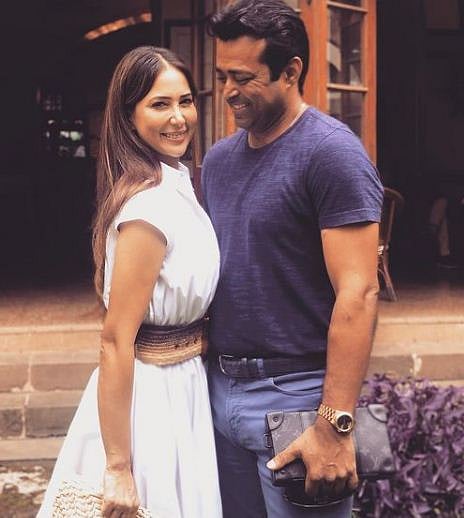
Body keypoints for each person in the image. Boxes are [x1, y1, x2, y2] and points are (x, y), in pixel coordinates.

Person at [201, 1, 384, 517]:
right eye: (222, 76)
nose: (229, 90)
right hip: (220, 393)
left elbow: (359, 292)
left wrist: (334, 423)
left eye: (244, 77)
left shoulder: (331, 153)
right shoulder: (217, 162)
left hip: (298, 398)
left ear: (291, 71)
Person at [38, 46, 222, 518]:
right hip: (151, 401)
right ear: (129, 117)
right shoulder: (148, 208)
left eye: (185, 101)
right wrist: (119, 465)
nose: (178, 117)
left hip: (186, 385)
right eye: (160, 104)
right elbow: (116, 339)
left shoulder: (177, 187)